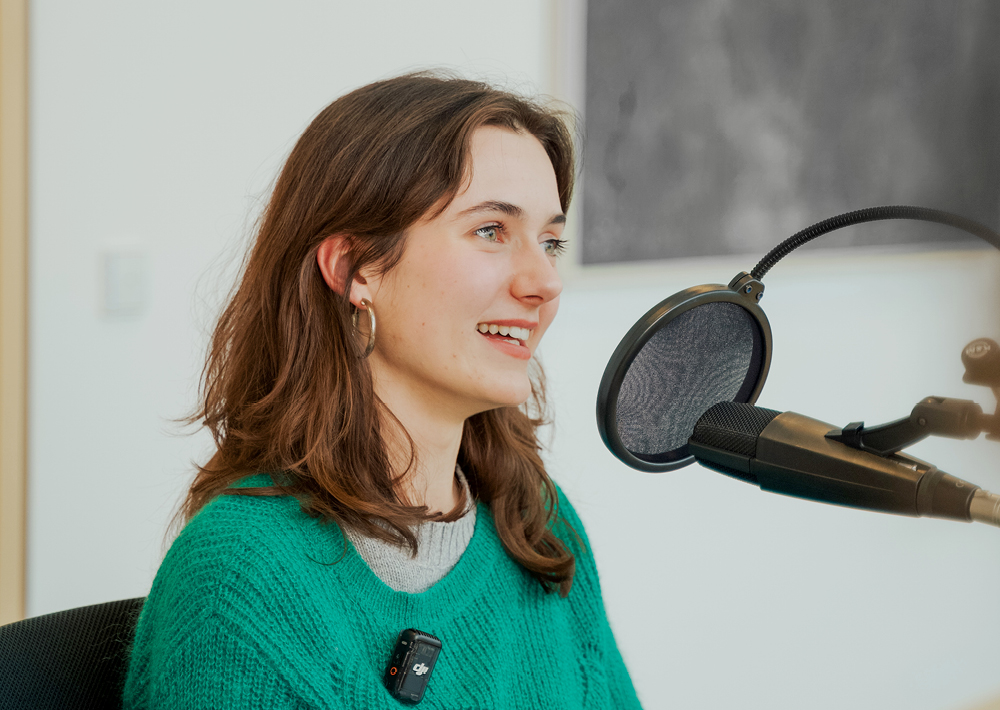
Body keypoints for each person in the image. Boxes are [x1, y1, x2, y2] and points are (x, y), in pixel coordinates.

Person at [123, 72, 642, 709]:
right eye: (491, 231)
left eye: (551, 241)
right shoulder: (242, 579)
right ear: (353, 268)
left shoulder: (538, 526)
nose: (544, 282)